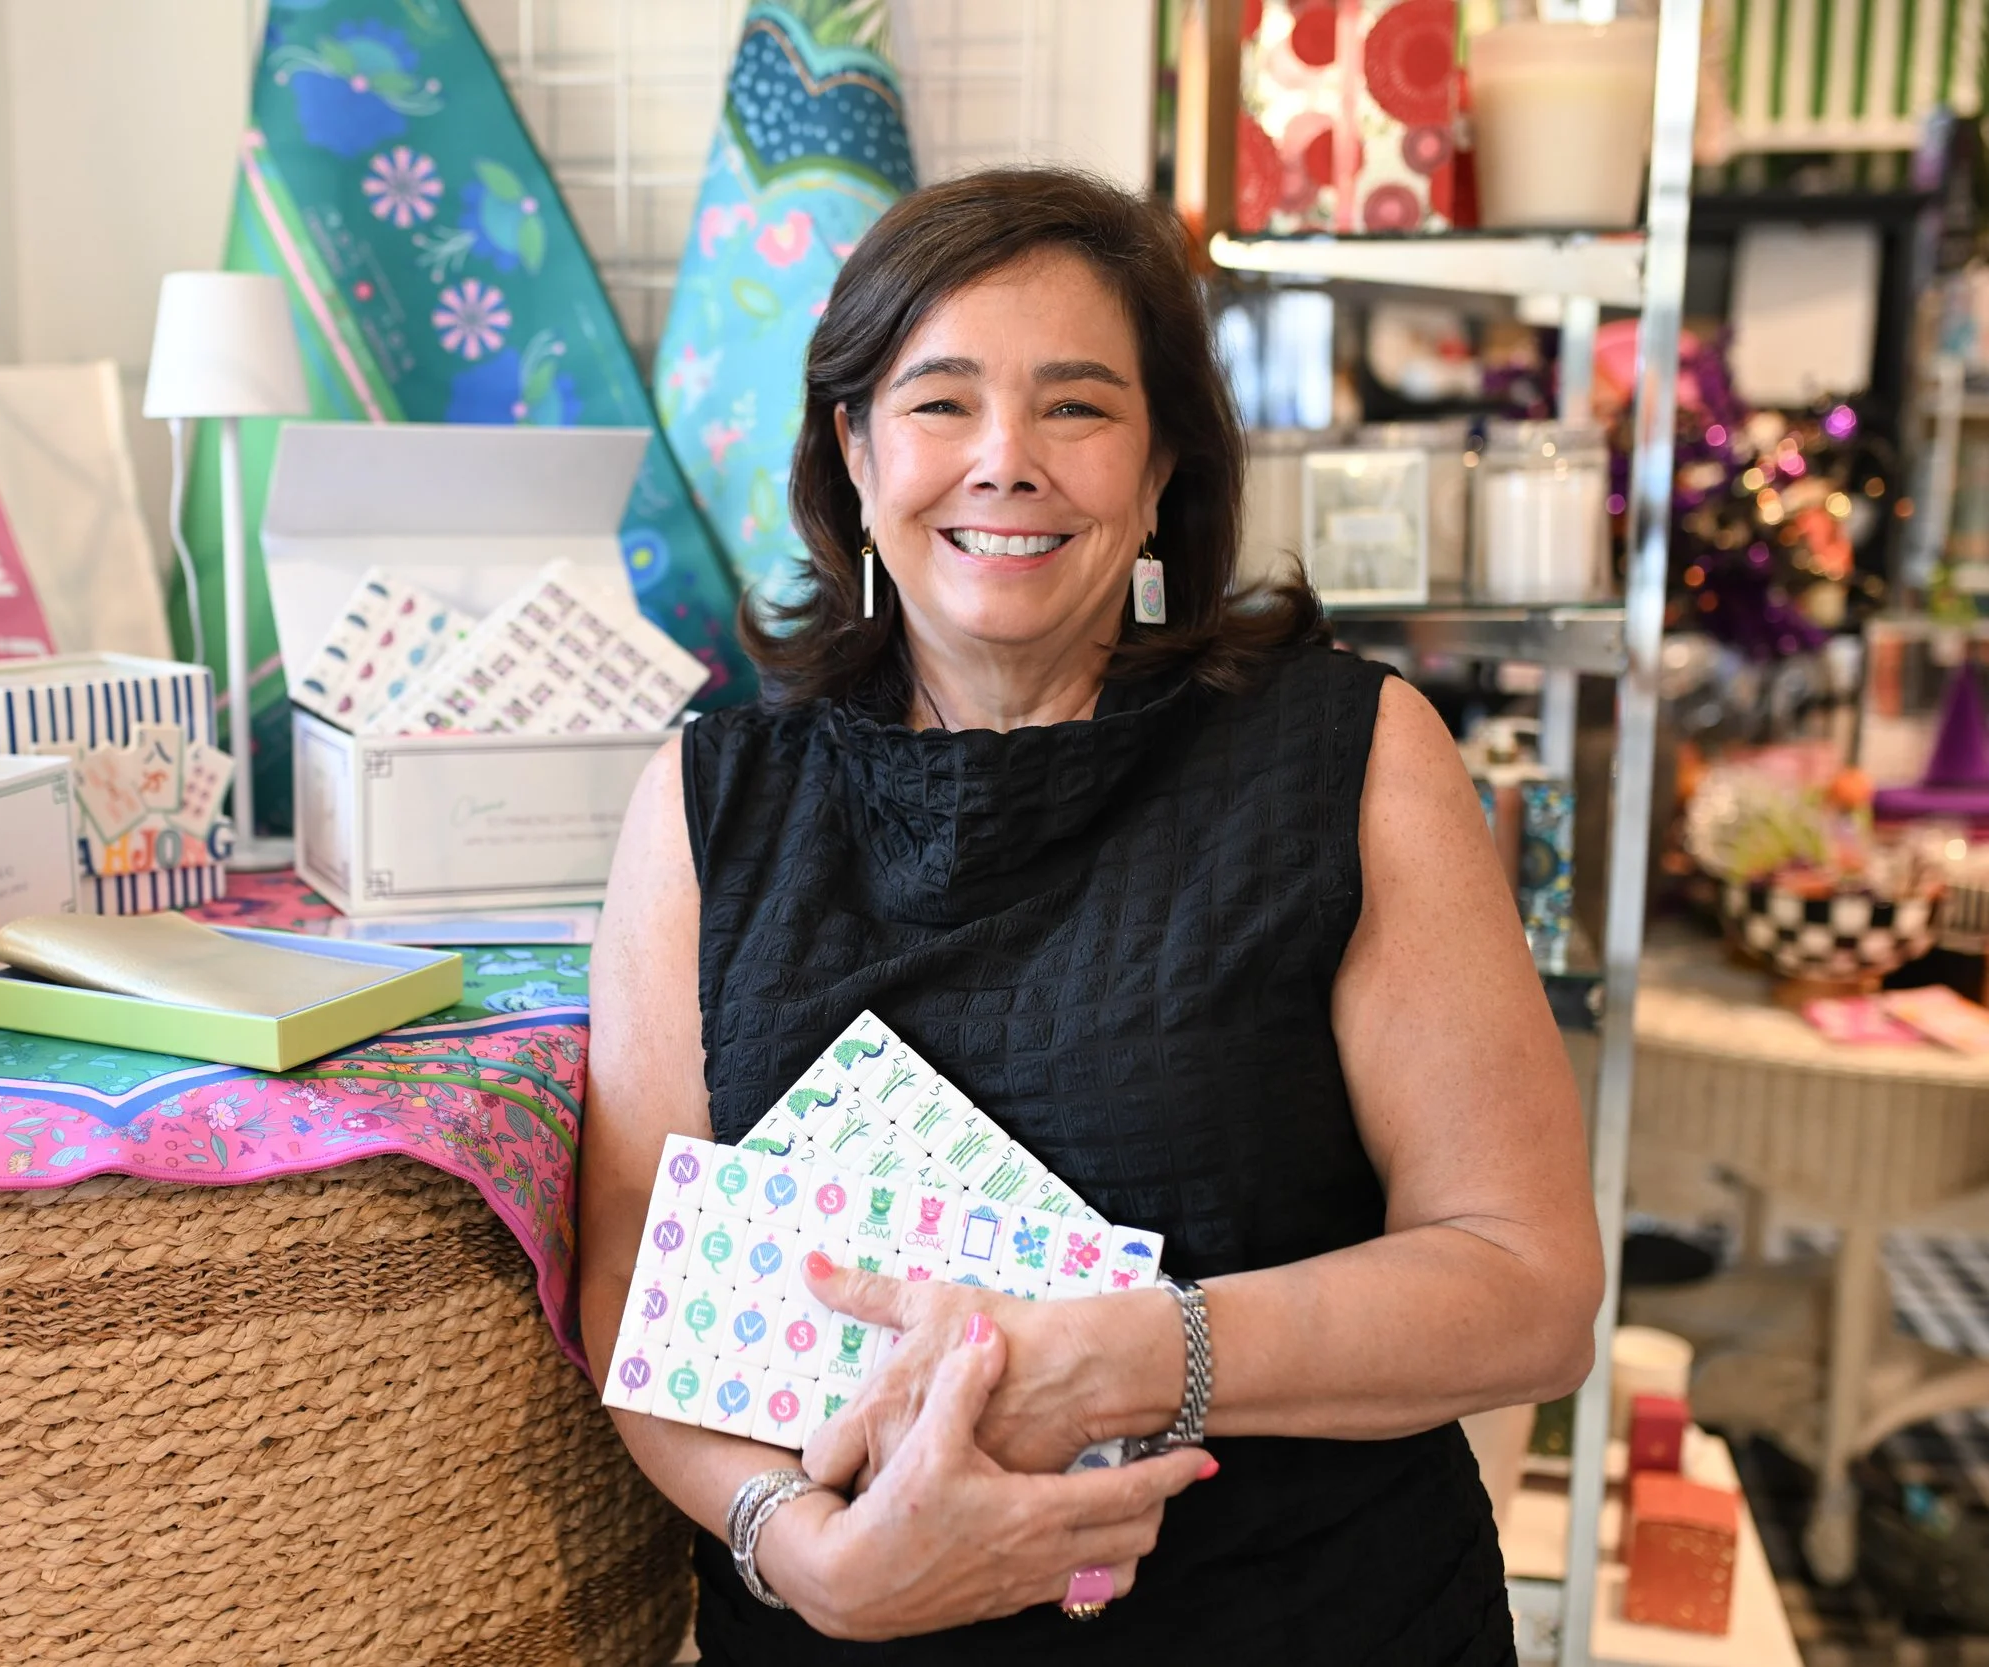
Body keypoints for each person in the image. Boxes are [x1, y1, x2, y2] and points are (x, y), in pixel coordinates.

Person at [579, 165, 1602, 1664]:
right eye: (938, 404)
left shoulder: (1352, 758)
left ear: (1164, 461)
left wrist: (1140, 1356)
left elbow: (1529, 1292)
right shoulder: (707, 803)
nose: (1006, 460)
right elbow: (631, 1283)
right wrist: (791, 1550)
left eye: (1076, 406)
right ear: (852, 449)